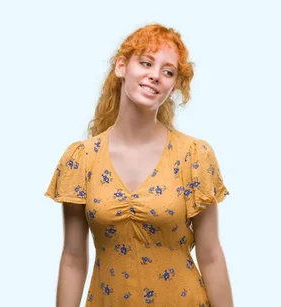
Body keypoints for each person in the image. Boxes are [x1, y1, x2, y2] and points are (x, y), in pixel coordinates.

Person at [45, 24, 233, 307]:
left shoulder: (194, 156)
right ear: (122, 67)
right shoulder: (81, 159)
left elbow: (211, 254)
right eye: (146, 63)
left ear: (172, 87)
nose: (155, 75)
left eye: (168, 72)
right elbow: (73, 258)